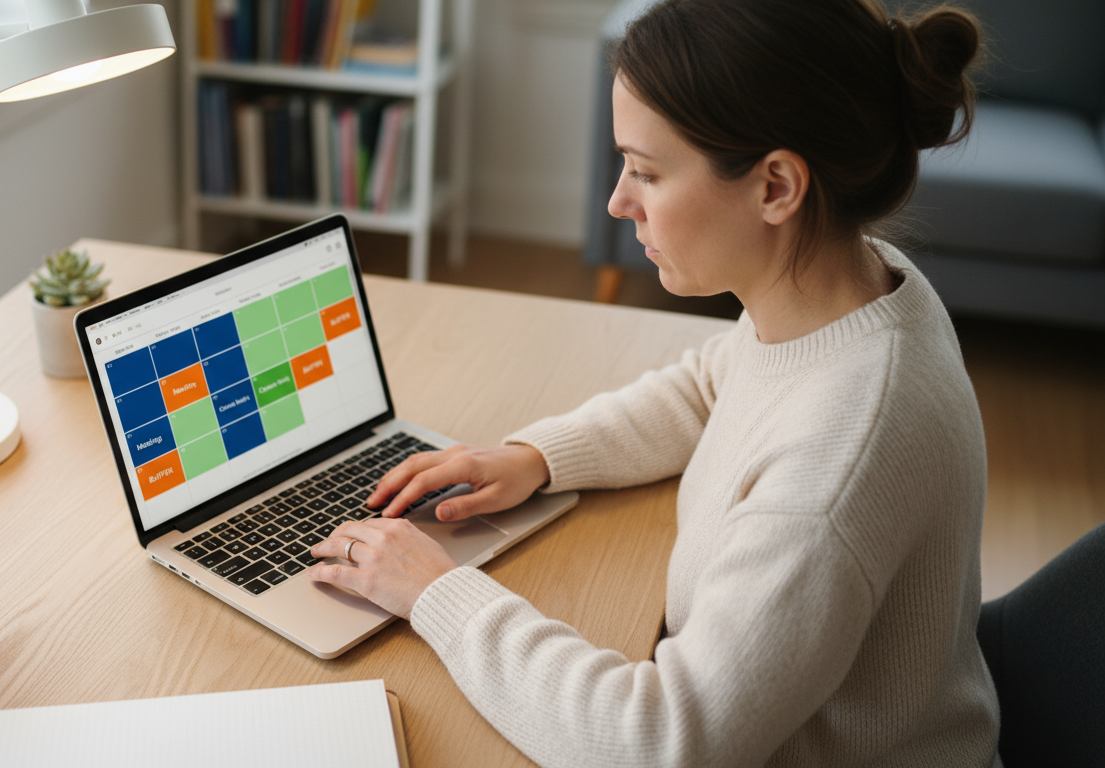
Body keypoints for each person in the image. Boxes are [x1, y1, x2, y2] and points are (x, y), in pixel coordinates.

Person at [309, 0, 1001, 764]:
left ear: (776, 187)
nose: (617, 201)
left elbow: (663, 741)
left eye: (645, 170)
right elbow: (718, 382)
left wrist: (435, 594)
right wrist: (537, 457)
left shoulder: (838, 460)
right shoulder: (855, 288)